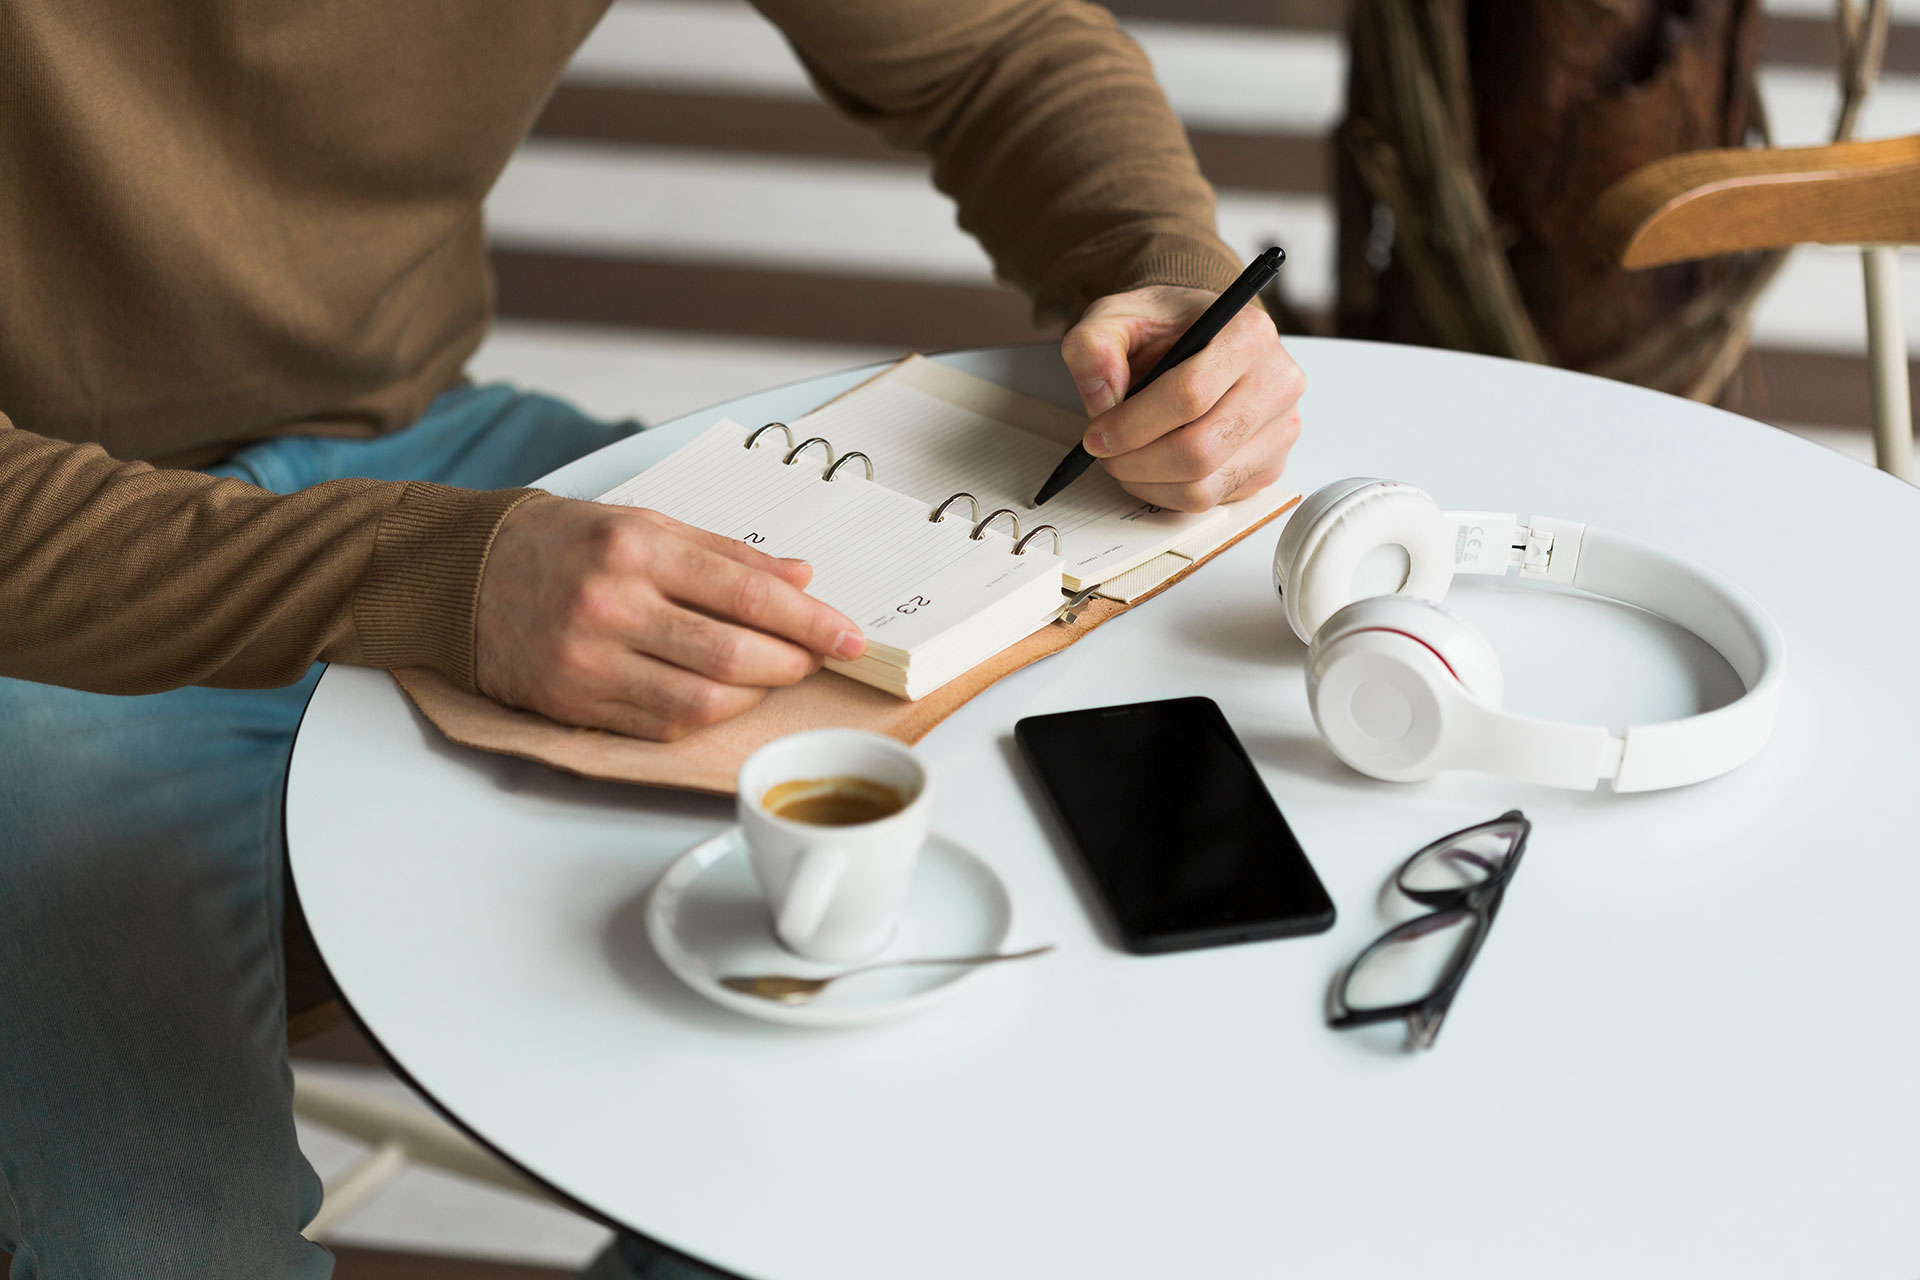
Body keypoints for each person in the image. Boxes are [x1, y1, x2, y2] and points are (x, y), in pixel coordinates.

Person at [0, 0, 1305, 1275]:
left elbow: (991, 46)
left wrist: (1159, 272)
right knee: (163, 1243)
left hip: (421, 443)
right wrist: (411, 568)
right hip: (49, 566)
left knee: (891, 1053)